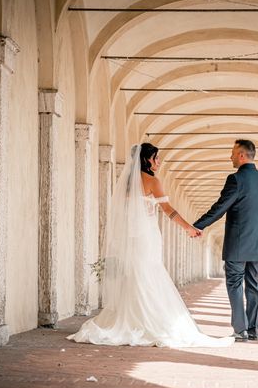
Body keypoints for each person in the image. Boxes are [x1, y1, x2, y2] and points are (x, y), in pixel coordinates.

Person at [68, 143, 234, 348]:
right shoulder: (152, 181)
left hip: (130, 237)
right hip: (146, 237)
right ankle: (148, 321)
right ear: (147, 159)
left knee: (134, 274)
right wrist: (189, 228)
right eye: (156, 158)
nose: (159, 162)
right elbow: (168, 210)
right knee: (148, 273)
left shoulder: (128, 183)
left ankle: (131, 317)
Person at [193, 140, 258, 342]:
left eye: (233, 153)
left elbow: (220, 207)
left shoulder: (235, 179)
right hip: (257, 240)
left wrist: (199, 225)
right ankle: (252, 329)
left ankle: (240, 329)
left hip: (238, 241)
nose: (231, 157)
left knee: (234, 283)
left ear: (242, 156)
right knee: (253, 285)